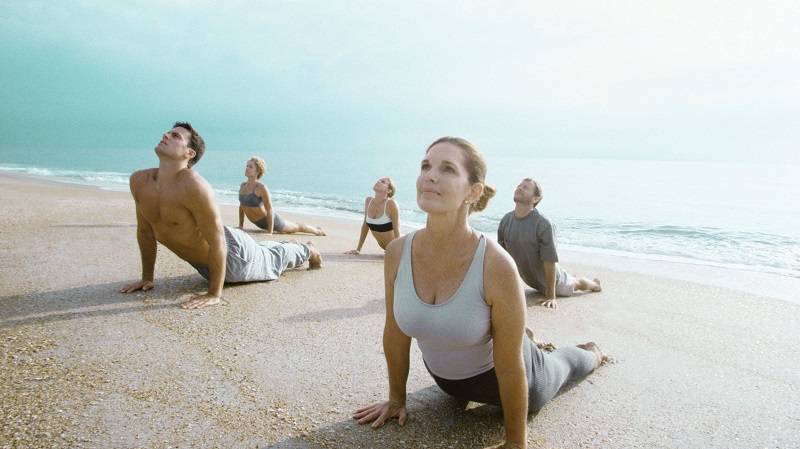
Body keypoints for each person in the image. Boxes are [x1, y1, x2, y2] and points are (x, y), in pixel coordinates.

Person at [353, 137, 605, 449]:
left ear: (473, 192)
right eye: (426, 166)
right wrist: (395, 399)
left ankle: (589, 351)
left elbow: (510, 367)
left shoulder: (496, 265)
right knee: (501, 333)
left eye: (447, 169)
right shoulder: (397, 252)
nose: (430, 176)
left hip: (519, 380)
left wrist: (515, 443)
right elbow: (395, 332)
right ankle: (518, 332)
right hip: (448, 383)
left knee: (567, 364)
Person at [119, 123, 322, 309]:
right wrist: (147, 277)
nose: (166, 135)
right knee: (264, 249)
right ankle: (285, 245)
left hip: (233, 257)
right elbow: (145, 231)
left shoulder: (194, 186)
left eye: (175, 136)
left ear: (189, 153)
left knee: (274, 260)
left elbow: (218, 242)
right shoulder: (140, 181)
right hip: (208, 262)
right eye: (168, 132)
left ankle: (307, 249)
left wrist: (214, 294)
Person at [498, 178, 601, 309]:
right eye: (519, 185)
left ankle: (594, 284)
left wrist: (551, 296)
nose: (520, 188)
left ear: (535, 199)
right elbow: (501, 258)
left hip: (554, 283)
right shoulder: (506, 220)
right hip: (531, 280)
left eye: (526, 187)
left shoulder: (543, 224)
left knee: (576, 284)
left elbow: (549, 260)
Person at [238, 156, 326, 236]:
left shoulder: (261, 188)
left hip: (272, 222)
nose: (247, 168)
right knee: (294, 227)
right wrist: (241, 226)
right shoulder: (243, 186)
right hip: (258, 223)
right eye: (247, 166)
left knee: (297, 227)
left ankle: (317, 231)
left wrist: (270, 232)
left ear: (258, 171)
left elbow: (270, 209)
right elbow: (242, 206)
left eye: (250, 167)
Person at [345, 177, 401, 254]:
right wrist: (358, 249)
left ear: (389, 190)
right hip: (387, 249)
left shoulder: (391, 204)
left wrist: (399, 252)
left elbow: (397, 230)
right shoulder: (368, 201)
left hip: (400, 246)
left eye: (383, 181)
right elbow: (365, 226)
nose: (378, 181)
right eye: (379, 180)